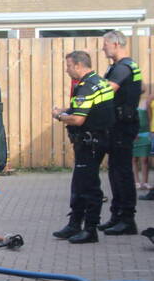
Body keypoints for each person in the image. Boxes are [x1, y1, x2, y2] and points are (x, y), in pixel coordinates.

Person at [52, 51, 115, 244]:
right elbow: (89, 109)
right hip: (97, 140)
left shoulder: (86, 86)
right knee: (79, 184)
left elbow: (78, 119)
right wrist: (66, 110)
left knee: (89, 187)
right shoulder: (99, 82)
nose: (66, 69)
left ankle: (90, 230)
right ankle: (74, 224)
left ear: (79, 65)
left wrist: (59, 116)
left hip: (90, 143)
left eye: (69, 65)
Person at [98, 31, 143, 235]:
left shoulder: (123, 67)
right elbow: (139, 89)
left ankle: (127, 219)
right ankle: (117, 215)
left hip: (122, 126)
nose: (103, 48)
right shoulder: (124, 66)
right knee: (116, 171)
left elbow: (107, 91)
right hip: (119, 124)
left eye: (105, 44)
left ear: (115, 44)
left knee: (122, 173)